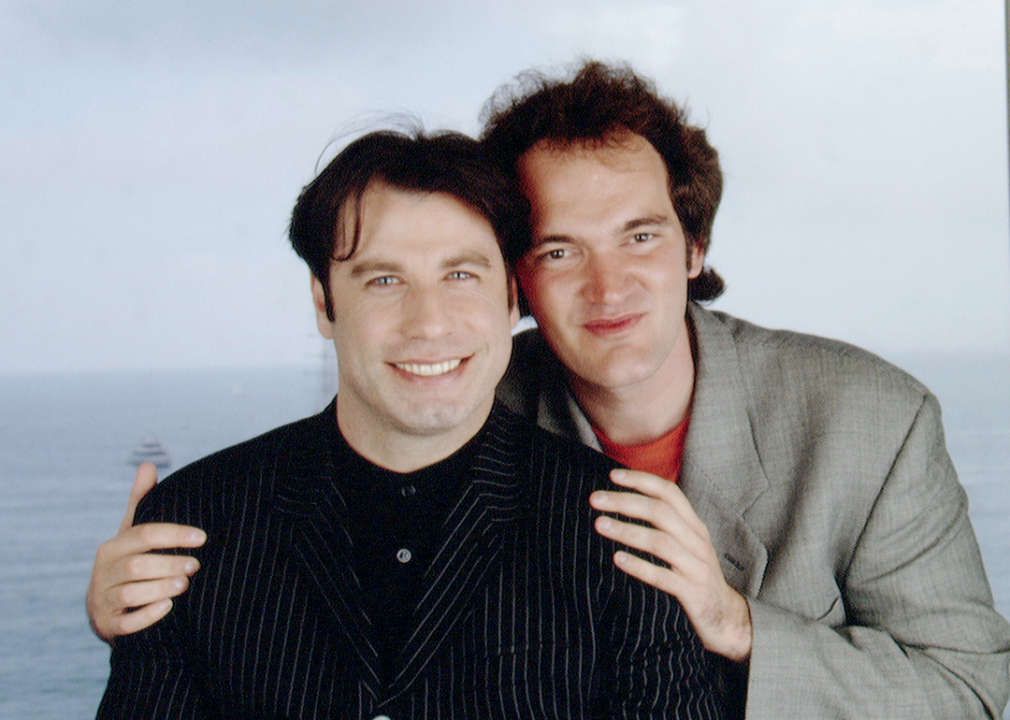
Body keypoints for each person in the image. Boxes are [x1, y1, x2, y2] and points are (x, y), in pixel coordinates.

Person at [89, 62, 1010, 718]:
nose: (607, 290)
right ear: (517, 283)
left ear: (697, 249)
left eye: (642, 237)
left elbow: (976, 693)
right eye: (559, 251)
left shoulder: (872, 423)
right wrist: (143, 607)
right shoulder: (465, 391)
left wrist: (735, 623)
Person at [95, 129, 725, 719]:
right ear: (324, 300)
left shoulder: (622, 529)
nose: (428, 322)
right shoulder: (191, 524)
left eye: (460, 275)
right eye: (386, 279)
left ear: (511, 296)